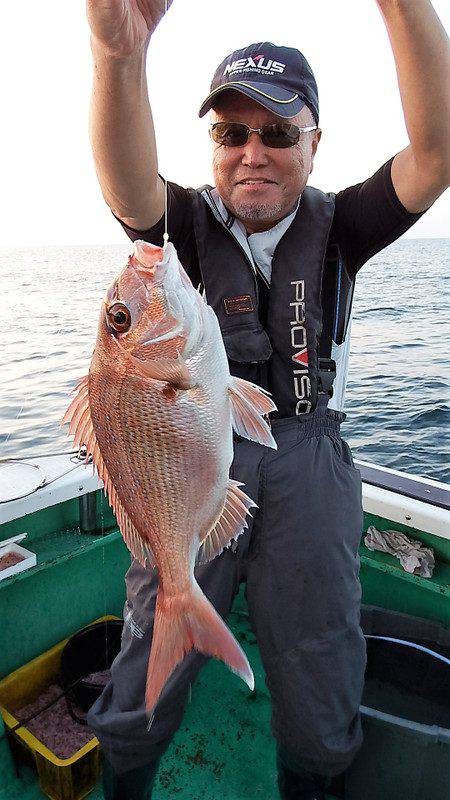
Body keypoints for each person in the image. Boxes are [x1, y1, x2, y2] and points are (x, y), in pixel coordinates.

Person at [85, 1, 450, 798]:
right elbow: (123, 176)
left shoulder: (345, 225)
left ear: (314, 146)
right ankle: (127, 771)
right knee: (144, 661)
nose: (254, 152)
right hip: (187, 454)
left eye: (280, 133)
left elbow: (437, 149)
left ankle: (312, 776)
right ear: (212, 147)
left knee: (322, 668)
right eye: (231, 133)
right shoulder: (178, 228)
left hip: (308, 462)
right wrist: (117, 56)